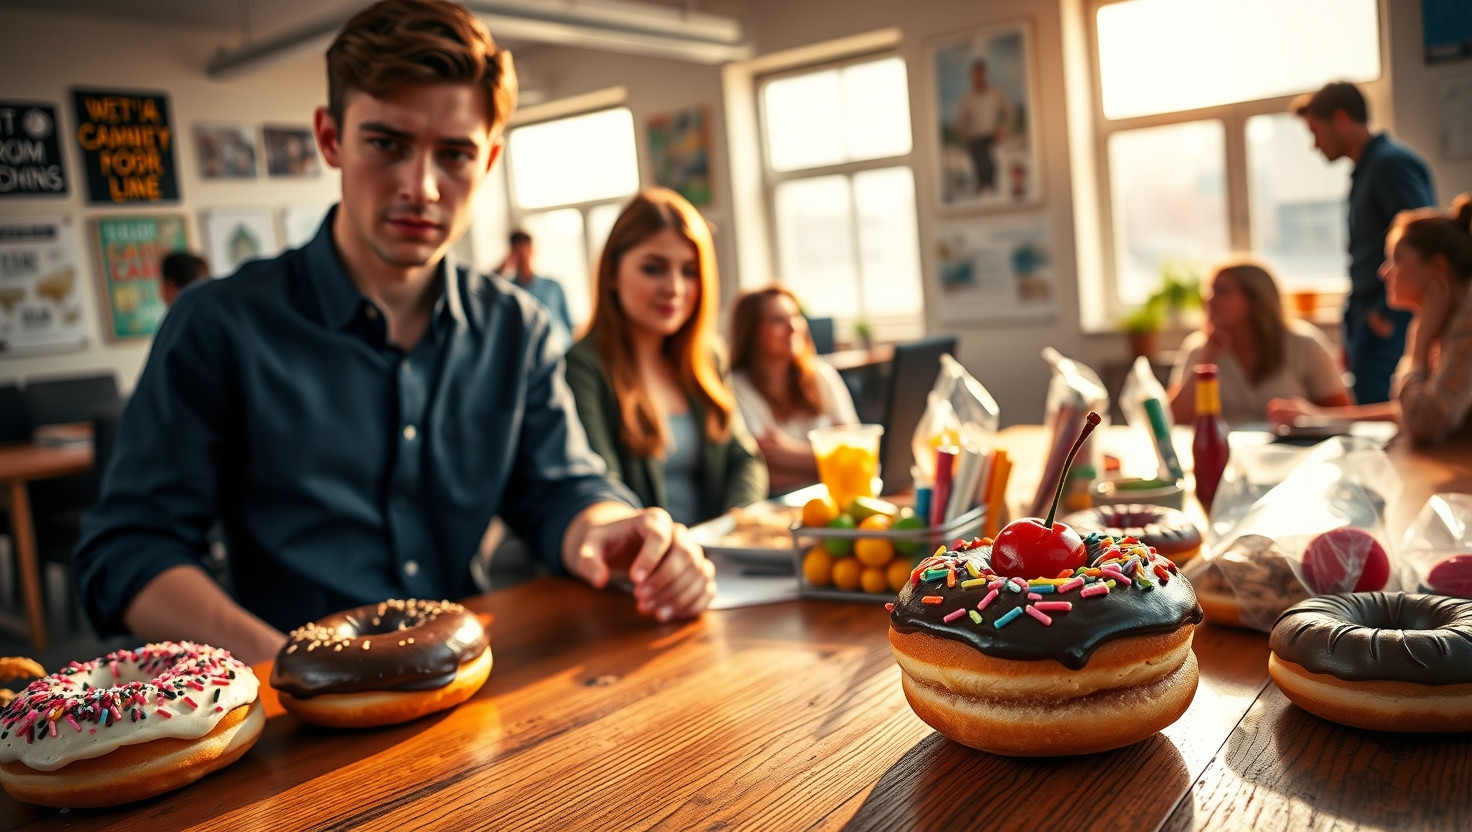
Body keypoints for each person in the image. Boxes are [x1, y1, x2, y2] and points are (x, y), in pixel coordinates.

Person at [74, 0, 716, 666]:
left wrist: (615, 532)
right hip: (289, 713)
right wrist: (293, 668)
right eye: (387, 144)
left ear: (490, 158)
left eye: (455, 154)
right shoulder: (220, 325)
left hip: (469, 688)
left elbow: (561, 489)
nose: (423, 188)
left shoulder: (514, 326)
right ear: (330, 138)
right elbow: (128, 552)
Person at [564, 187, 767, 527]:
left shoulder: (707, 356)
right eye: (653, 269)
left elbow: (744, 461)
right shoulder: (584, 367)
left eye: (689, 271)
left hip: (720, 559)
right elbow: (600, 489)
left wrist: (735, 526)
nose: (674, 288)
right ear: (613, 273)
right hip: (641, 567)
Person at [1270, 195, 1472, 444]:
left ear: (1438, 267)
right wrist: (1323, 417)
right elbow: (1409, 410)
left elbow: (1425, 421)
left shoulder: (1467, 322)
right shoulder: (1450, 319)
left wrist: (1419, 344)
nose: (1383, 271)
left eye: (1397, 259)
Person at [1292, 80, 1436, 405]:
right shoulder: (1367, 170)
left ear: (1341, 119)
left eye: (1316, 132)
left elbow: (1426, 240)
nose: (1314, 145)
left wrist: (1384, 314)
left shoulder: (1389, 165)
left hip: (1387, 322)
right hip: (1369, 319)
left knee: (1387, 425)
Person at [1167, 261, 1351, 426]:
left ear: (1255, 299)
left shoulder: (1304, 344)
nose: (1210, 300)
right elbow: (1175, 419)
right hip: (1230, 456)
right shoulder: (1199, 349)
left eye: (1222, 291)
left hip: (1296, 454)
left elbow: (1344, 414)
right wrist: (1206, 359)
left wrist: (1308, 415)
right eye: (1210, 290)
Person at [729, 285, 858, 494]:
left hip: (834, 496)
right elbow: (762, 473)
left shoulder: (822, 375)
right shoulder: (736, 387)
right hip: (775, 504)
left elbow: (856, 453)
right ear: (751, 331)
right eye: (777, 320)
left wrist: (791, 452)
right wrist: (832, 463)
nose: (793, 327)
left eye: (796, 316)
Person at [496, 229, 573, 352]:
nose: (523, 256)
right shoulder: (506, 289)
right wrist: (500, 268)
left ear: (532, 250)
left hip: (556, 351)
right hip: (523, 354)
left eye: (525, 250)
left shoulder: (553, 286)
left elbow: (569, 325)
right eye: (518, 252)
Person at [952, 59, 1011, 195]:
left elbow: (1008, 114)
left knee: (991, 160)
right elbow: (959, 122)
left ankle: (991, 187)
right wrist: (966, 133)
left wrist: (1002, 130)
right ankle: (983, 187)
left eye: (980, 74)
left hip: (993, 136)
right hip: (976, 138)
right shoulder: (967, 98)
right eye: (975, 74)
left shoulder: (996, 93)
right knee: (978, 158)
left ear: (985, 74)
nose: (978, 77)